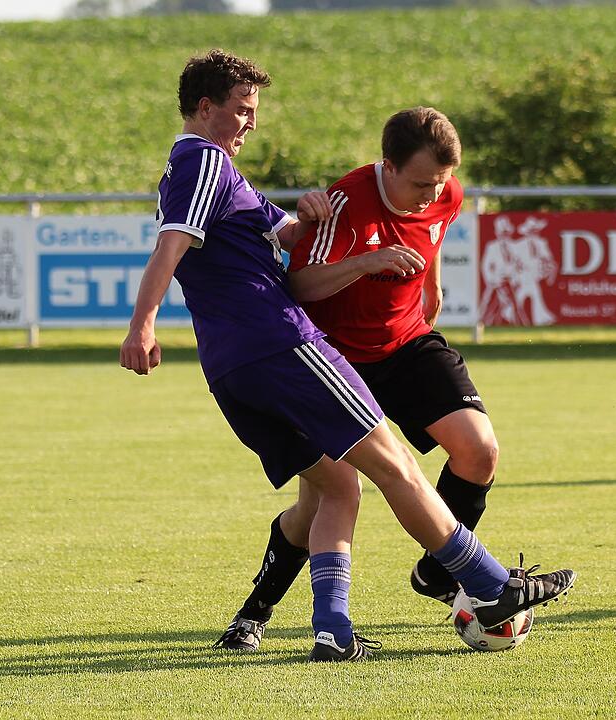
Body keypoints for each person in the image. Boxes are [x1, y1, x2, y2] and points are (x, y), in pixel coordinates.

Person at [120, 52, 575, 662]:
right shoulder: (202, 158)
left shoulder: (214, 173)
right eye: (241, 110)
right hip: (281, 342)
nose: (250, 122)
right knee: (398, 469)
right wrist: (142, 322)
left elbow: (267, 234)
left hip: (231, 368)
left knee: (337, 490)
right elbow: (174, 242)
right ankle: (492, 586)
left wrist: (299, 216)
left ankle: (331, 631)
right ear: (207, 108)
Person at [217, 107, 534, 652]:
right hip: (335, 358)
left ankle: (441, 570)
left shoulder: (446, 191)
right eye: (419, 183)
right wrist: (367, 262)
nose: (432, 195)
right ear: (387, 166)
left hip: (406, 342)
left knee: (479, 449)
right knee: (326, 496)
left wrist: (431, 284)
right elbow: (301, 286)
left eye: (439, 183)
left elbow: (433, 231)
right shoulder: (346, 201)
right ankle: (256, 610)